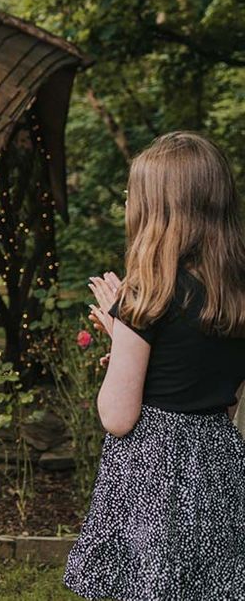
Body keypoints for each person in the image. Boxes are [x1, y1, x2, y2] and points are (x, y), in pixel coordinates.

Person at [64, 132, 245, 600]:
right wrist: (121, 335)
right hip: (217, 464)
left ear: (157, 210)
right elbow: (198, 376)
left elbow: (118, 416)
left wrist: (124, 328)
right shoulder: (234, 296)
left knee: (151, 583)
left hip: (154, 472)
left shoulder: (145, 297)